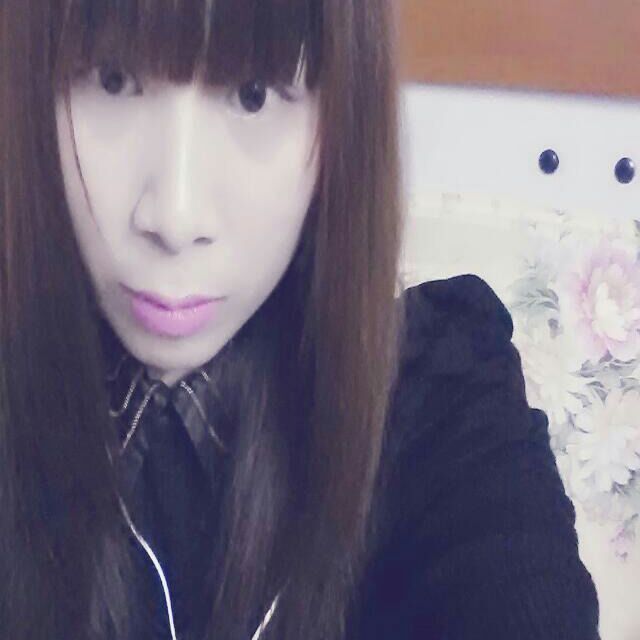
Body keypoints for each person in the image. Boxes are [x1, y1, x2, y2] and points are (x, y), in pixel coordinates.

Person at [0, 1, 600, 639]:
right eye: (113, 79)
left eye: (253, 95)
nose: (175, 217)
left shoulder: (440, 399)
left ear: (341, 115)